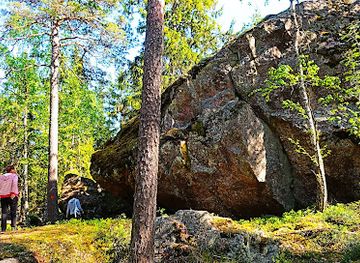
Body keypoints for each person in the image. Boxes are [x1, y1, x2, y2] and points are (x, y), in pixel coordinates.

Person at [0, 165, 19, 232]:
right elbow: (14, 184)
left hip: (3, 196)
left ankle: (3, 229)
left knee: (4, 213)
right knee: (13, 211)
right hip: (12, 195)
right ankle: (13, 227)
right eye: (14, 169)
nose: (15, 170)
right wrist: (13, 193)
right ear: (12, 170)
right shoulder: (14, 176)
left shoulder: (1, 176)